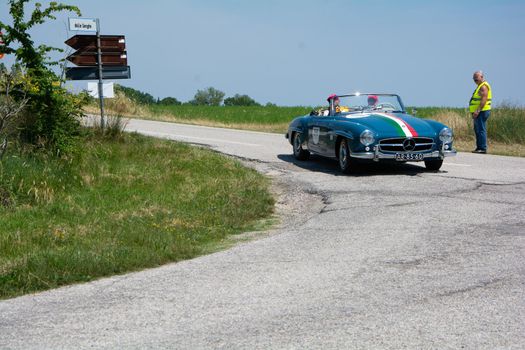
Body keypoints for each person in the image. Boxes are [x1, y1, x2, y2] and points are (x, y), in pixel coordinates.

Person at [469, 71, 492, 153]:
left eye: (476, 78)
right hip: (479, 111)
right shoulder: (479, 86)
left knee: (481, 129)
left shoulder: (483, 87)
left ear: (482, 77)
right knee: (477, 129)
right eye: (474, 78)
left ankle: (482, 148)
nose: (475, 80)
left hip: (482, 111)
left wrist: (477, 111)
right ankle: (479, 147)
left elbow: (484, 100)